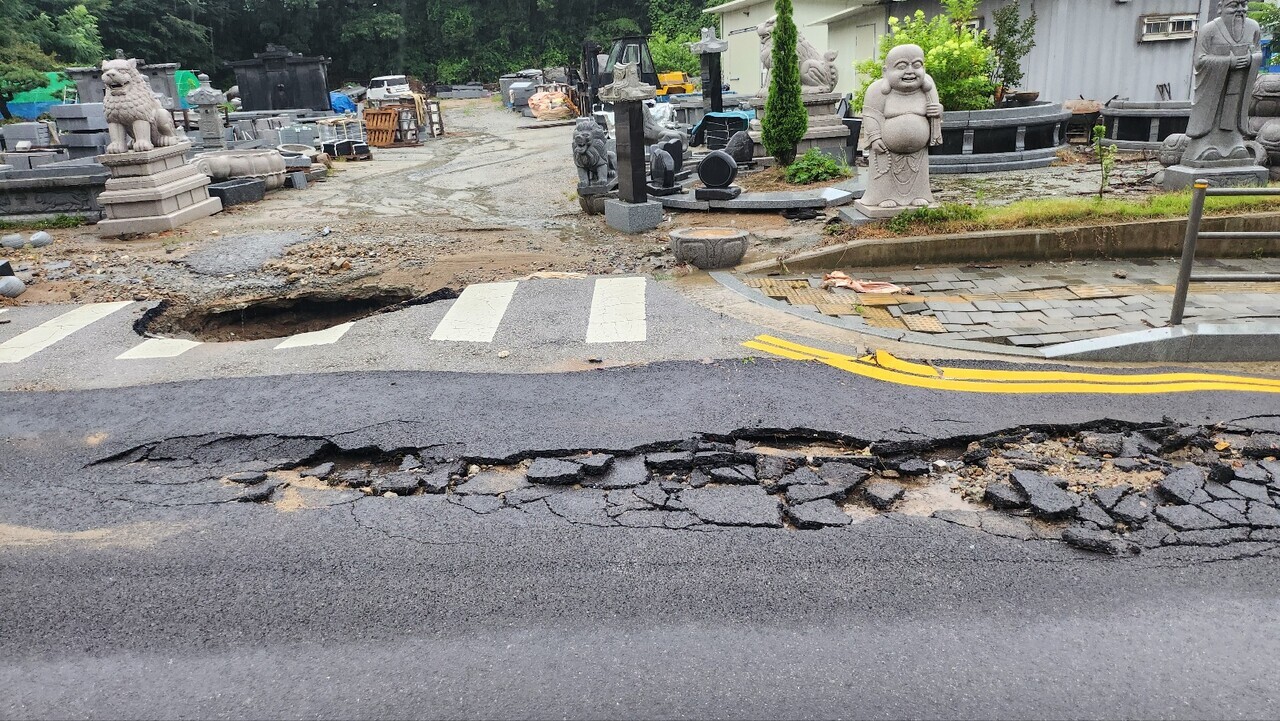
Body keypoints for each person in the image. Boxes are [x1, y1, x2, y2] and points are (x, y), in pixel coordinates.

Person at [856, 44, 944, 215]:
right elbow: (870, 115)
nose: (910, 71)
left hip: (918, 151)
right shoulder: (877, 91)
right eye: (902, 66)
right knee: (883, 175)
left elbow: (935, 114)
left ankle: (917, 195)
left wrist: (938, 111)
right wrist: (874, 138)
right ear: (885, 71)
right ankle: (883, 196)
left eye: (917, 65)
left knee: (918, 173)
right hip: (886, 151)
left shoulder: (927, 88)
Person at [1184, 0, 1263, 164]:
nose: (1240, 10)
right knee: (1216, 110)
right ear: (1220, 8)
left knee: (1233, 112)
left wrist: (1250, 60)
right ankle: (1205, 146)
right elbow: (1199, 60)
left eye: (1243, 5)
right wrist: (1228, 62)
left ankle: (1234, 144)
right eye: (1234, 5)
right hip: (1214, 87)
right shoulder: (1209, 30)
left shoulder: (1253, 27)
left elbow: (1258, 53)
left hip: (1239, 83)